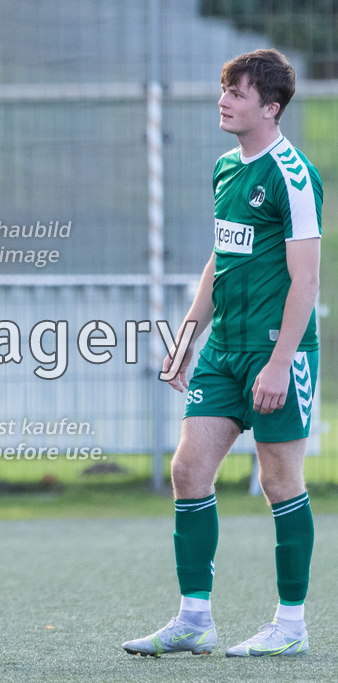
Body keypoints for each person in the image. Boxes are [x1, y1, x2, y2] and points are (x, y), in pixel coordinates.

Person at [123, 48, 321, 658]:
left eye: (236, 92)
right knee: (188, 470)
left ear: (270, 106)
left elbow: (307, 280)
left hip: (274, 351)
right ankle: (194, 620)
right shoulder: (225, 169)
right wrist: (186, 339)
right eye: (223, 89)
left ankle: (291, 626)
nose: (223, 100)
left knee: (279, 480)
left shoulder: (292, 174)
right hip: (224, 351)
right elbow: (220, 259)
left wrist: (281, 361)